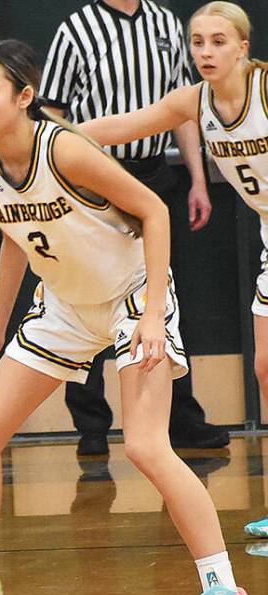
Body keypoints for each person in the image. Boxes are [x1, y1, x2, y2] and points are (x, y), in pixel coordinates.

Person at [0, 39, 259, 595]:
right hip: (63, 306)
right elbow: (17, 236)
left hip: (131, 296)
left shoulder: (63, 149)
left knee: (145, 445)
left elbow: (153, 212)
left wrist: (152, 314)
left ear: (25, 96)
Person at [64, 2, 268, 536]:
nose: (206, 51)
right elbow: (119, 126)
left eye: (219, 41)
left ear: (243, 47)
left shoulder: (265, 90)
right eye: (198, 41)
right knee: (266, 368)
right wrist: (45, 140)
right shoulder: (192, 99)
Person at [40, 0, 229, 456]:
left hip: (153, 173)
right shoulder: (76, 29)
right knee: (92, 289)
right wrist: (64, 173)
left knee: (161, 294)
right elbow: (50, 113)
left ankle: (179, 420)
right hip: (95, 176)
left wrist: (198, 179)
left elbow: (181, 110)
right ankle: (91, 426)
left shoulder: (166, 23)